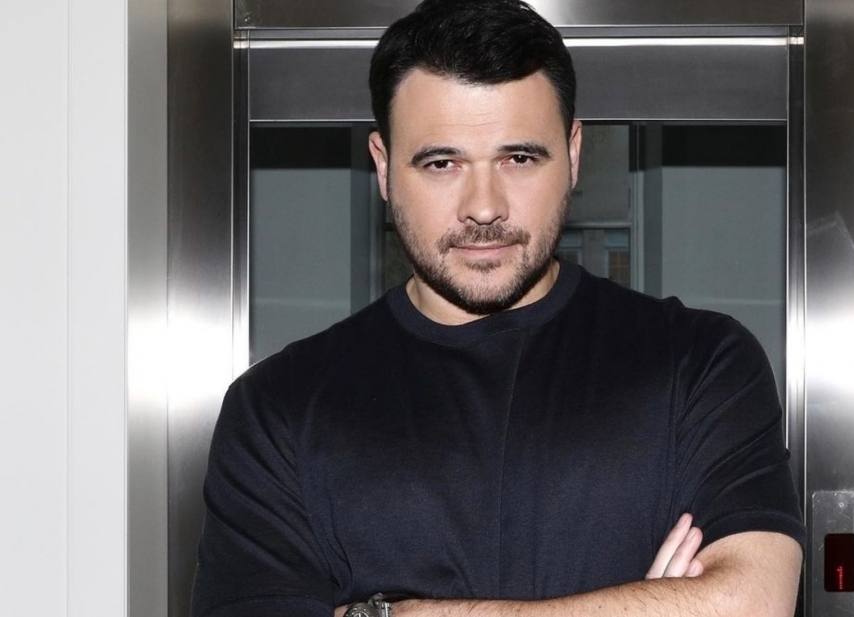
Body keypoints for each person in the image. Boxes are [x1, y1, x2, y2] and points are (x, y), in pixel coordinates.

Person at [191, 1, 805, 616]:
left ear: (573, 154)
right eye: (442, 163)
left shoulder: (700, 366)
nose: (484, 207)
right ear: (383, 167)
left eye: (519, 159)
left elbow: (750, 603)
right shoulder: (278, 410)